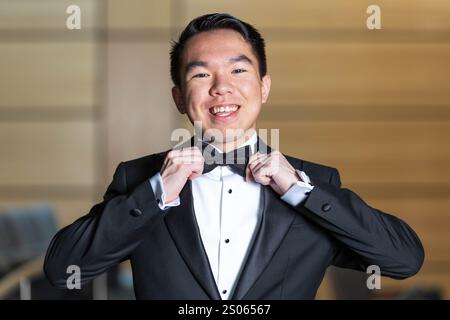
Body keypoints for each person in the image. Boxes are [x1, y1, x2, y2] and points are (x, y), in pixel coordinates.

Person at [44, 13, 424, 300]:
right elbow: (65, 270)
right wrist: (157, 192)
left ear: (263, 87)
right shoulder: (139, 178)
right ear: (179, 97)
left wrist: (301, 193)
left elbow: (404, 260)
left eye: (238, 70)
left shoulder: (316, 184)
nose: (222, 88)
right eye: (201, 76)